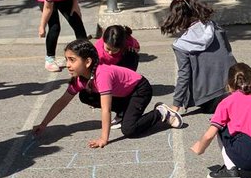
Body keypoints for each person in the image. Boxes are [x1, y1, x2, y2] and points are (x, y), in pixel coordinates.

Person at [32, 39, 182, 146]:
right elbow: (62, 101)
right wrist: (44, 124)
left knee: (129, 130)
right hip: (124, 93)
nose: (68, 65)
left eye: (72, 60)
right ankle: (124, 112)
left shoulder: (102, 75)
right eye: (66, 60)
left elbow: (106, 109)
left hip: (140, 89)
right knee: (85, 95)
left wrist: (104, 138)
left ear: (88, 62)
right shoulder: (81, 78)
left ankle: (161, 113)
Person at [160, 0, 235, 115]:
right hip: (235, 87)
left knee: (190, 73)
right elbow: (227, 52)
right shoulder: (214, 26)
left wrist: (175, 106)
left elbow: (184, 76)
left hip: (211, 99)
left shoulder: (181, 45)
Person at [34, 0, 86, 72]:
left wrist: (75, 4)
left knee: (76, 21)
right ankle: (49, 59)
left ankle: (86, 53)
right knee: (54, 26)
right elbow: (48, 8)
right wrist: (42, 26)